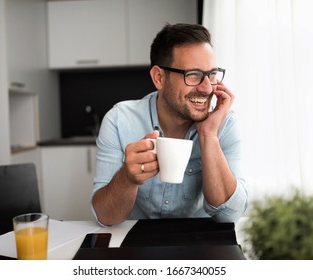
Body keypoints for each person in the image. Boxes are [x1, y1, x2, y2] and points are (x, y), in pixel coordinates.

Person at [91, 23, 248, 226]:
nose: (208, 87)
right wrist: (127, 179)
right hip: (138, 245)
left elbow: (230, 215)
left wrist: (209, 135)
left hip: (203, 246)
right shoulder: (119, 121)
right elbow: (106, 218)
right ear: (159, 78)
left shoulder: (225, 123)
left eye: (212, 74)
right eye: (193, 74)